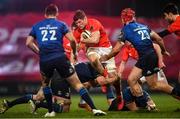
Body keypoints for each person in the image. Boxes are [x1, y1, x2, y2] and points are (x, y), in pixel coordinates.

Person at [26, 4, 106, 117]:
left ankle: (50, 111)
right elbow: (73, 40)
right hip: (60, 58)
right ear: (57, 14)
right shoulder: (61, 24)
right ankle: (94, 109)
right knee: (78, 85)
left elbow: (28, 43)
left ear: (45, 14)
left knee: (45, 85)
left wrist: (39, 52)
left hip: (45, 59)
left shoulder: (36, 26)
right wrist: (74, 52)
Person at [100, 8, 180, 107]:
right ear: (134, 18)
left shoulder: (126, 29)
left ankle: (148, 104)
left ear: (123, 19)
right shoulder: (144, 26)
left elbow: (116, 50)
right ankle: (145, 105)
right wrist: (164, 50)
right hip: (148, 57)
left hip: (147, 58)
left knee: (154, 85)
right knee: (131, 80)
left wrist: (106, 57)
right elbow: (159, 39)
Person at [72, 10, 121, 104]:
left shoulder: (94, 23)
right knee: (93, 60)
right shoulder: (77, 32)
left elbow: (95, 40)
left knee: (114, 78)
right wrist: (73, 57)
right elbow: (76, 48)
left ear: (85, 18)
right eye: (76, 23)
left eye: (80, 22)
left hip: (106, 49)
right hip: (93, 49)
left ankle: (119, 94)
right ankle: (104, 75)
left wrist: (83, 40)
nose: (78, 24)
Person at [158, 3, 180, 82]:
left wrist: (145, 34)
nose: (165, 18)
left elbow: (162, 34)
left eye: (165, 16)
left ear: (170, 14)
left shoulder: (178, 22)